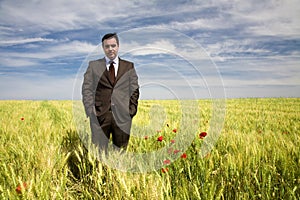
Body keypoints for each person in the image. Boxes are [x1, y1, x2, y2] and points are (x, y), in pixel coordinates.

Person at [82, 33, 139, 155]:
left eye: (113, 45)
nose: (110, 49)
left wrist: (131, 111)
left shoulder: (129, 66)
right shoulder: (94, 66)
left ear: (118, 46)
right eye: (107, 46)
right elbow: (87, 88)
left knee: (121, 153)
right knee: (99, 153)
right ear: (103, 48)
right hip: (99, 116)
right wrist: (91, 110)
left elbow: (134, 90)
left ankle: (117, 174)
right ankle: (101, 174)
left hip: (123, 117)